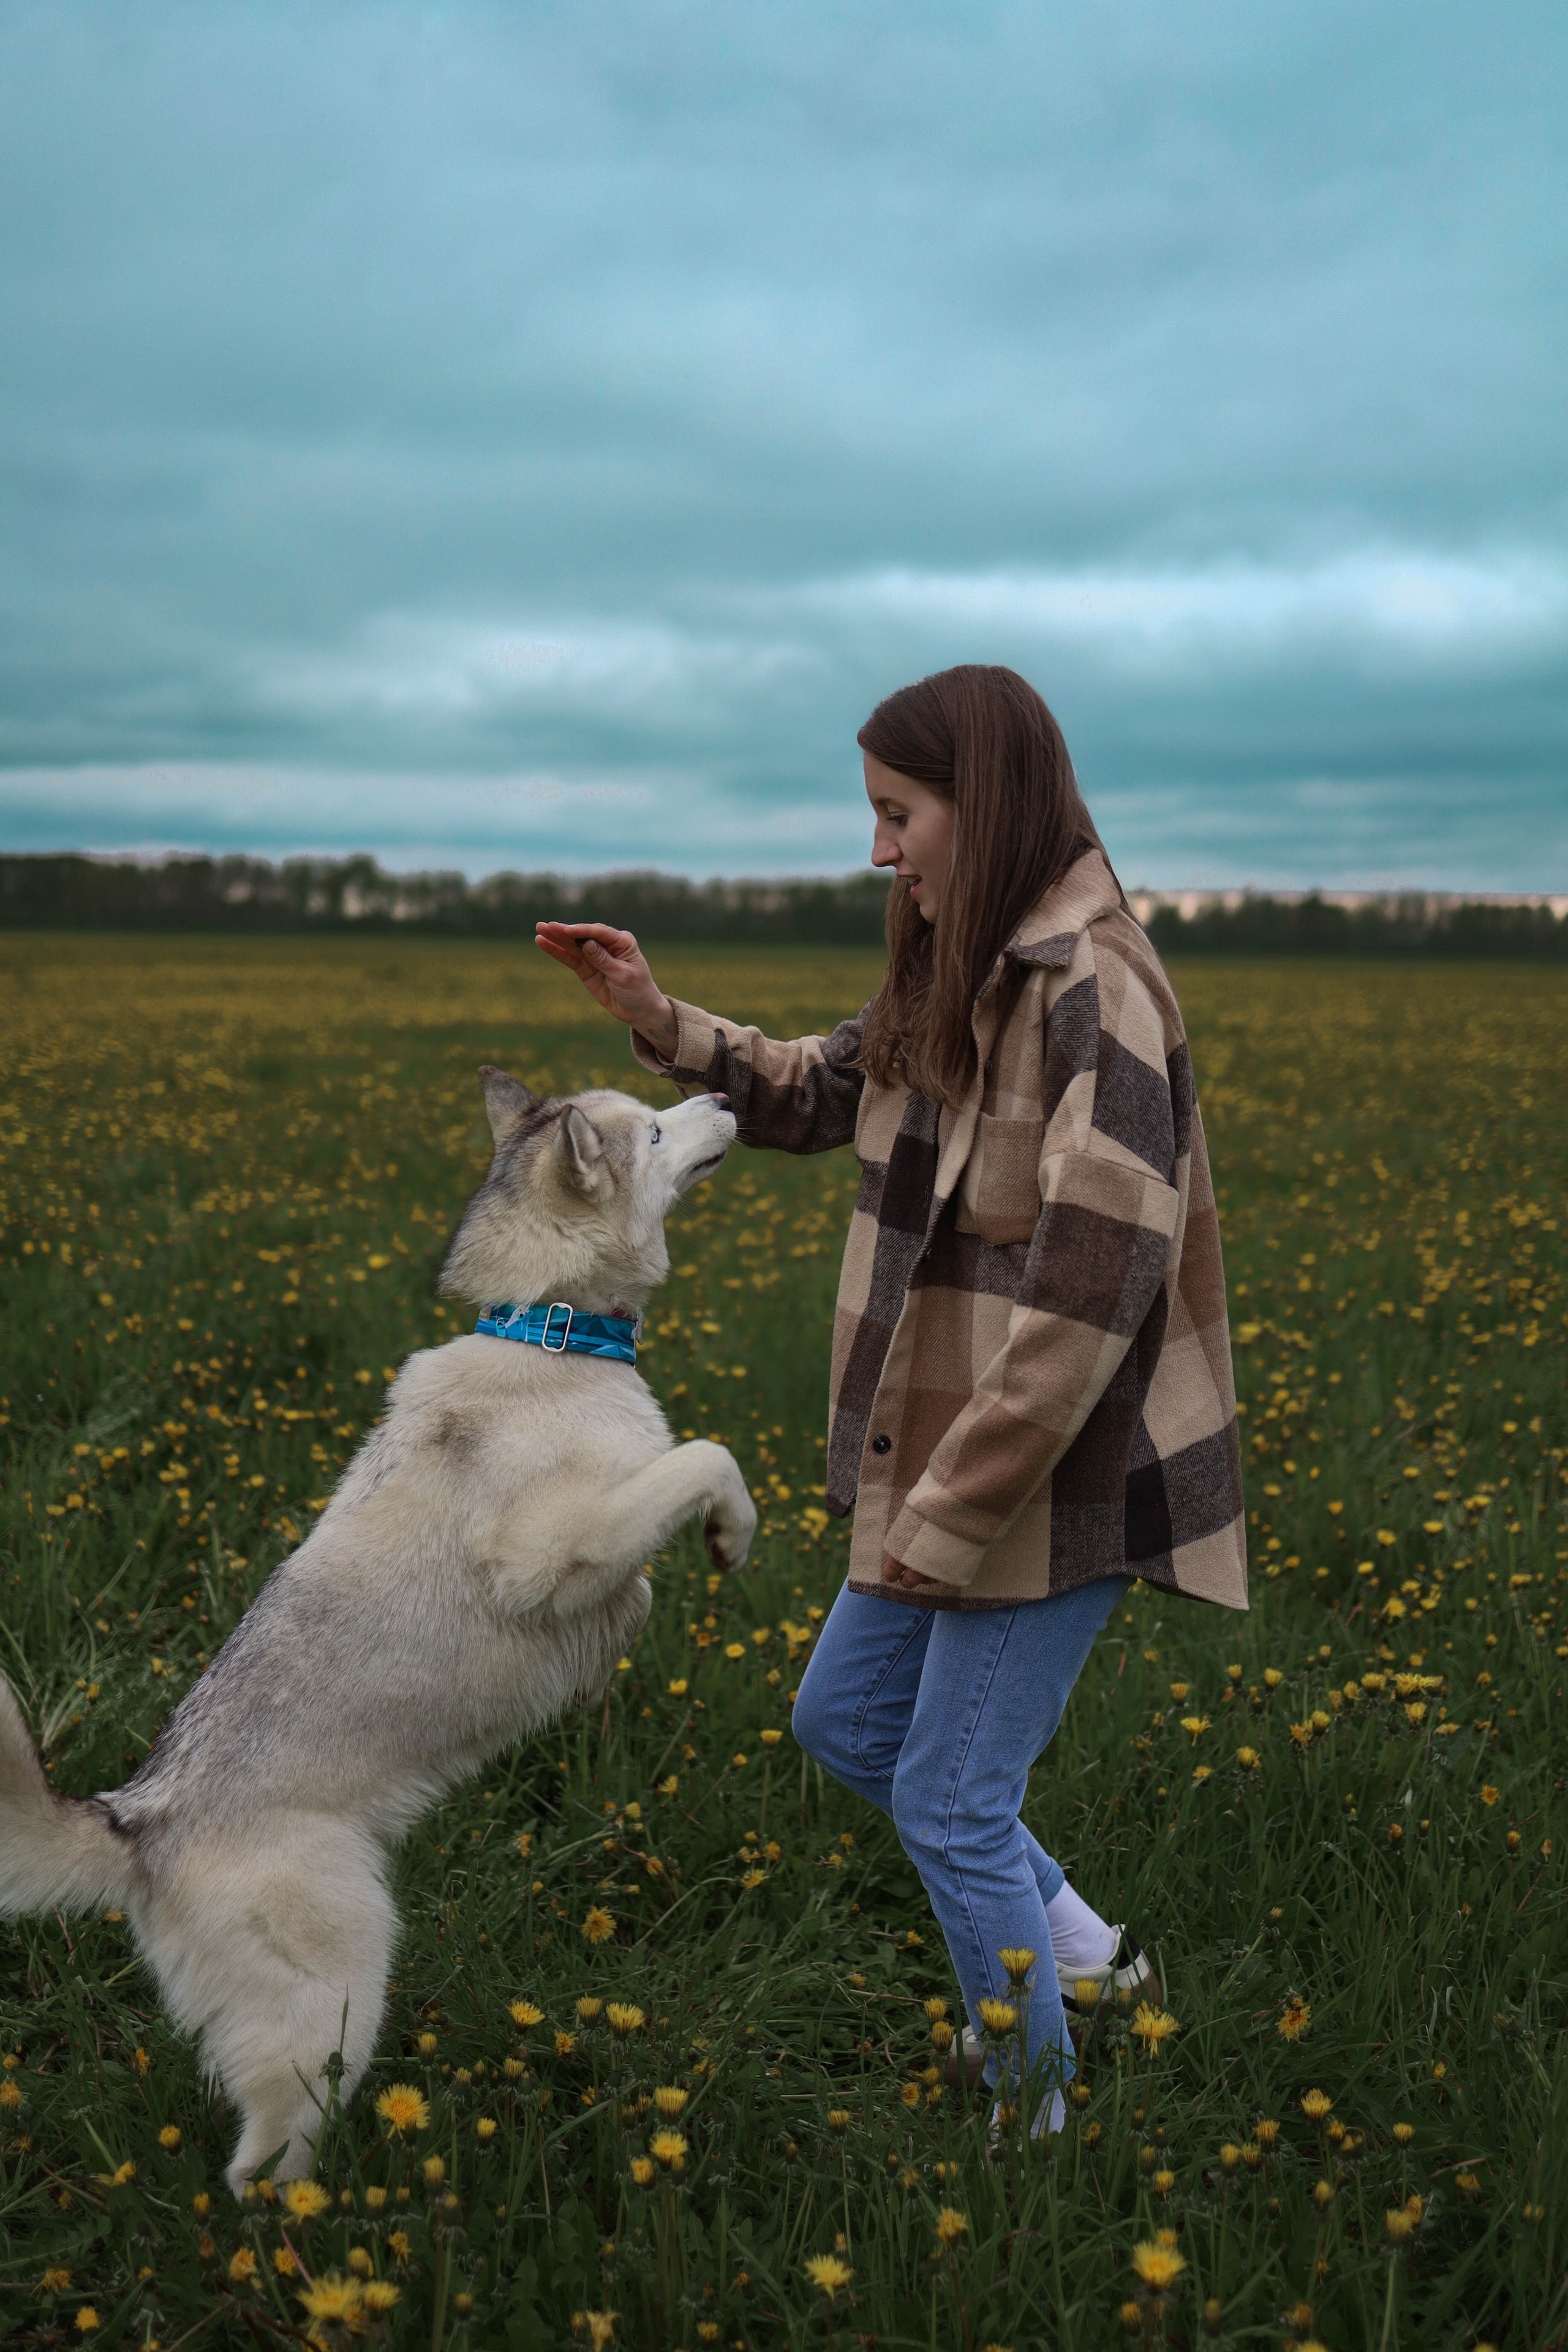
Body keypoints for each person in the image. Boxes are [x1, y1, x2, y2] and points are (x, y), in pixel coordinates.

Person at [536, 662, 1247, 2139]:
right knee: (845, 1723)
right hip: (947, 1448)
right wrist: (652, 1014)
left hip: (1055, 1473)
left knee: (946, 1798)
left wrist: (953, 1507)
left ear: (976, 806)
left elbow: (1091, 1292)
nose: (878, 849)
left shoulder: (1090, 990)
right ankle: (1089, 1962)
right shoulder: (951, 960)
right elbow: (811, 1088)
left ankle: (1031, 2113)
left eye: (895, 813)